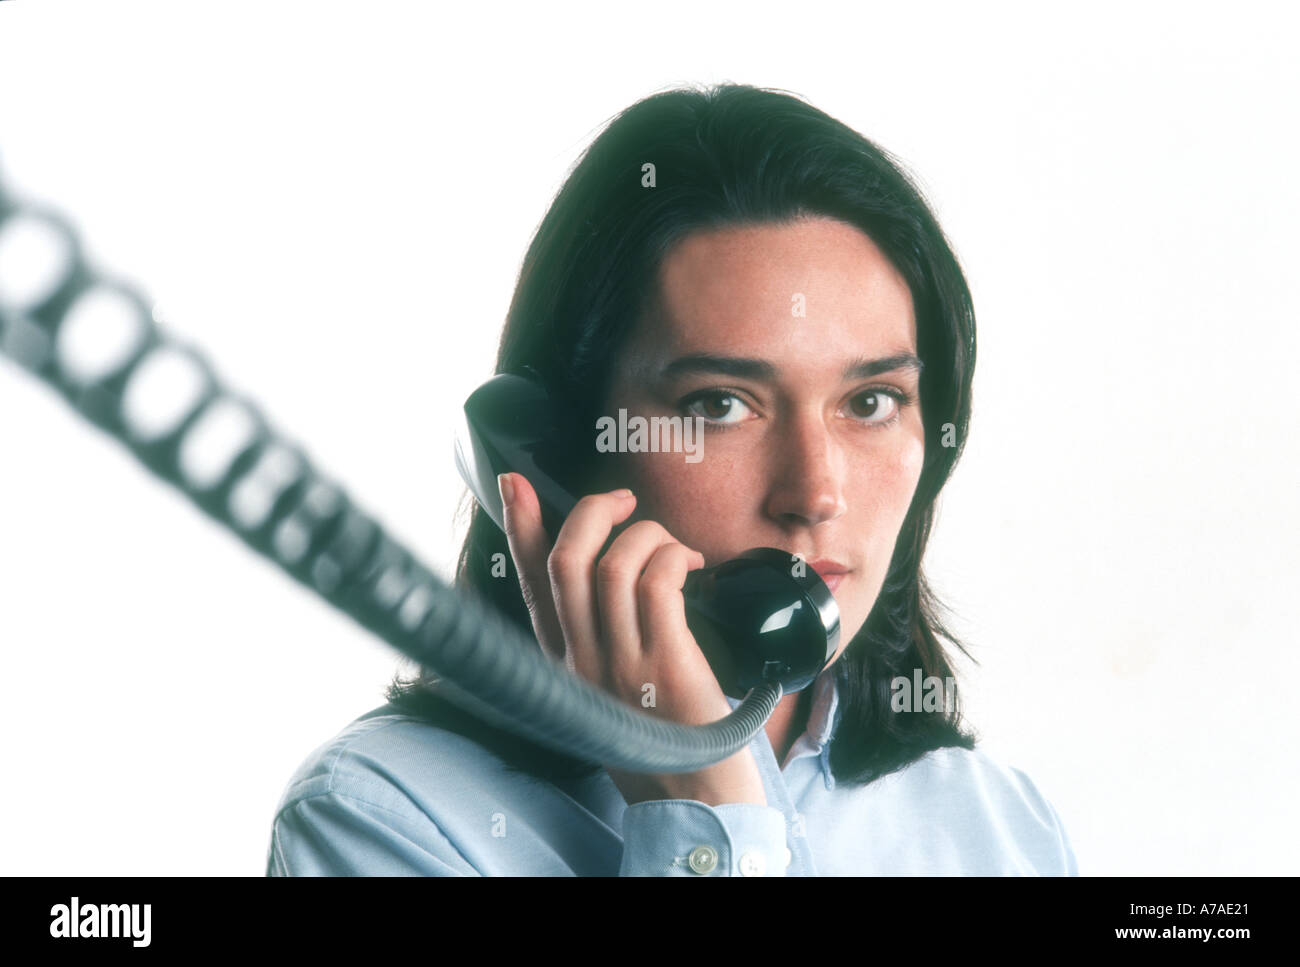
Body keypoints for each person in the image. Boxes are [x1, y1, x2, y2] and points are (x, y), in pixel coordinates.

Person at [266, 83, 1078, 876]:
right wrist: (706, 816)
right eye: (721, 404)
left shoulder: (995, 824)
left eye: (870, 400)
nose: (815, 492)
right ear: (562, 446)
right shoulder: (386, 820)